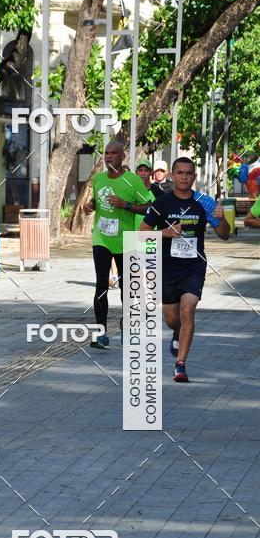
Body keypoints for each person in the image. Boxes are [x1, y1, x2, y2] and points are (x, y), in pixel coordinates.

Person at [139, 157, 230, 383]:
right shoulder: (161, 204)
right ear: (172, 175)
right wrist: (165, 234)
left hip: (193, 266)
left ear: (194, 177)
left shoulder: (205, 203)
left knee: (188, 309)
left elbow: (225, 234)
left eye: (189, 173)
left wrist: (223, 219)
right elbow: (141, 235)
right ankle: (177, 332)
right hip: (167, 266)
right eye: (180, 173)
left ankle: (180, 365)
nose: (184, 177)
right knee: (171, 317)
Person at [83, 140, 153, 349]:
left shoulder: (133, 180)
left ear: (123, 156)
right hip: (102, 238)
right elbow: (97, 200)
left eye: (114, 153)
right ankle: (100, 333)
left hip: (126, 240)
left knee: (126, 288)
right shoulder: (98, 179)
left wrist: (126, 205)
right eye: (106, 153)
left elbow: (149, 208)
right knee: (101, 284)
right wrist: (90, 206)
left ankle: (127, 324)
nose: (109, 156)